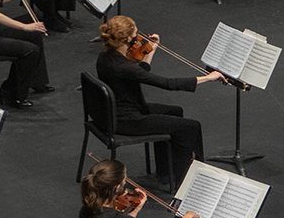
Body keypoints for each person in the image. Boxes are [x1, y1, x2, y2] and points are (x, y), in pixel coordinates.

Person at [95, 15, 225, 188]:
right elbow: (167, 84)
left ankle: (166, 171)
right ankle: (186, 182)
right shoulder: (123, 66)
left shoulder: (106, 56)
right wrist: (208, 78)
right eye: (136, 34)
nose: (139, 38)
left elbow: (139, 73)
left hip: (114, 111)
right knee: (190, 126)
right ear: (127, 39)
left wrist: (151, 50)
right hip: (126, 120)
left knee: (175, 111)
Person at [78, 158, 199, 218]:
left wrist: (136, 210)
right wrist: (188, 216)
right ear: (116, 188)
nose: (126, 183)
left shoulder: (86, 210)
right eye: (124, 181)